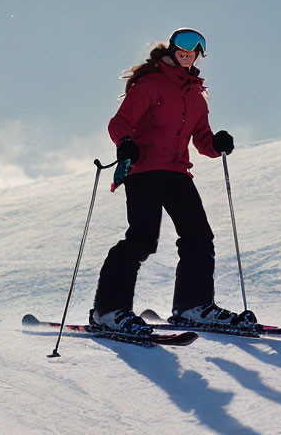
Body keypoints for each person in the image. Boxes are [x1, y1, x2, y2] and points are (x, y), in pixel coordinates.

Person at [89, 28, 255, 336]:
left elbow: (203, 141)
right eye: (183, 45)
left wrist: (217, 143)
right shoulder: (150, 84)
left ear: (199, 55)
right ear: (173, 48)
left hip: (178, 172)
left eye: (196, 49)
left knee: (199, 237)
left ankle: (192, 306)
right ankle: (108, 310)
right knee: (142, 239)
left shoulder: (196, 97)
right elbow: (120, 122)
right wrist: (125, 142)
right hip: (145, 169)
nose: (188, 51)